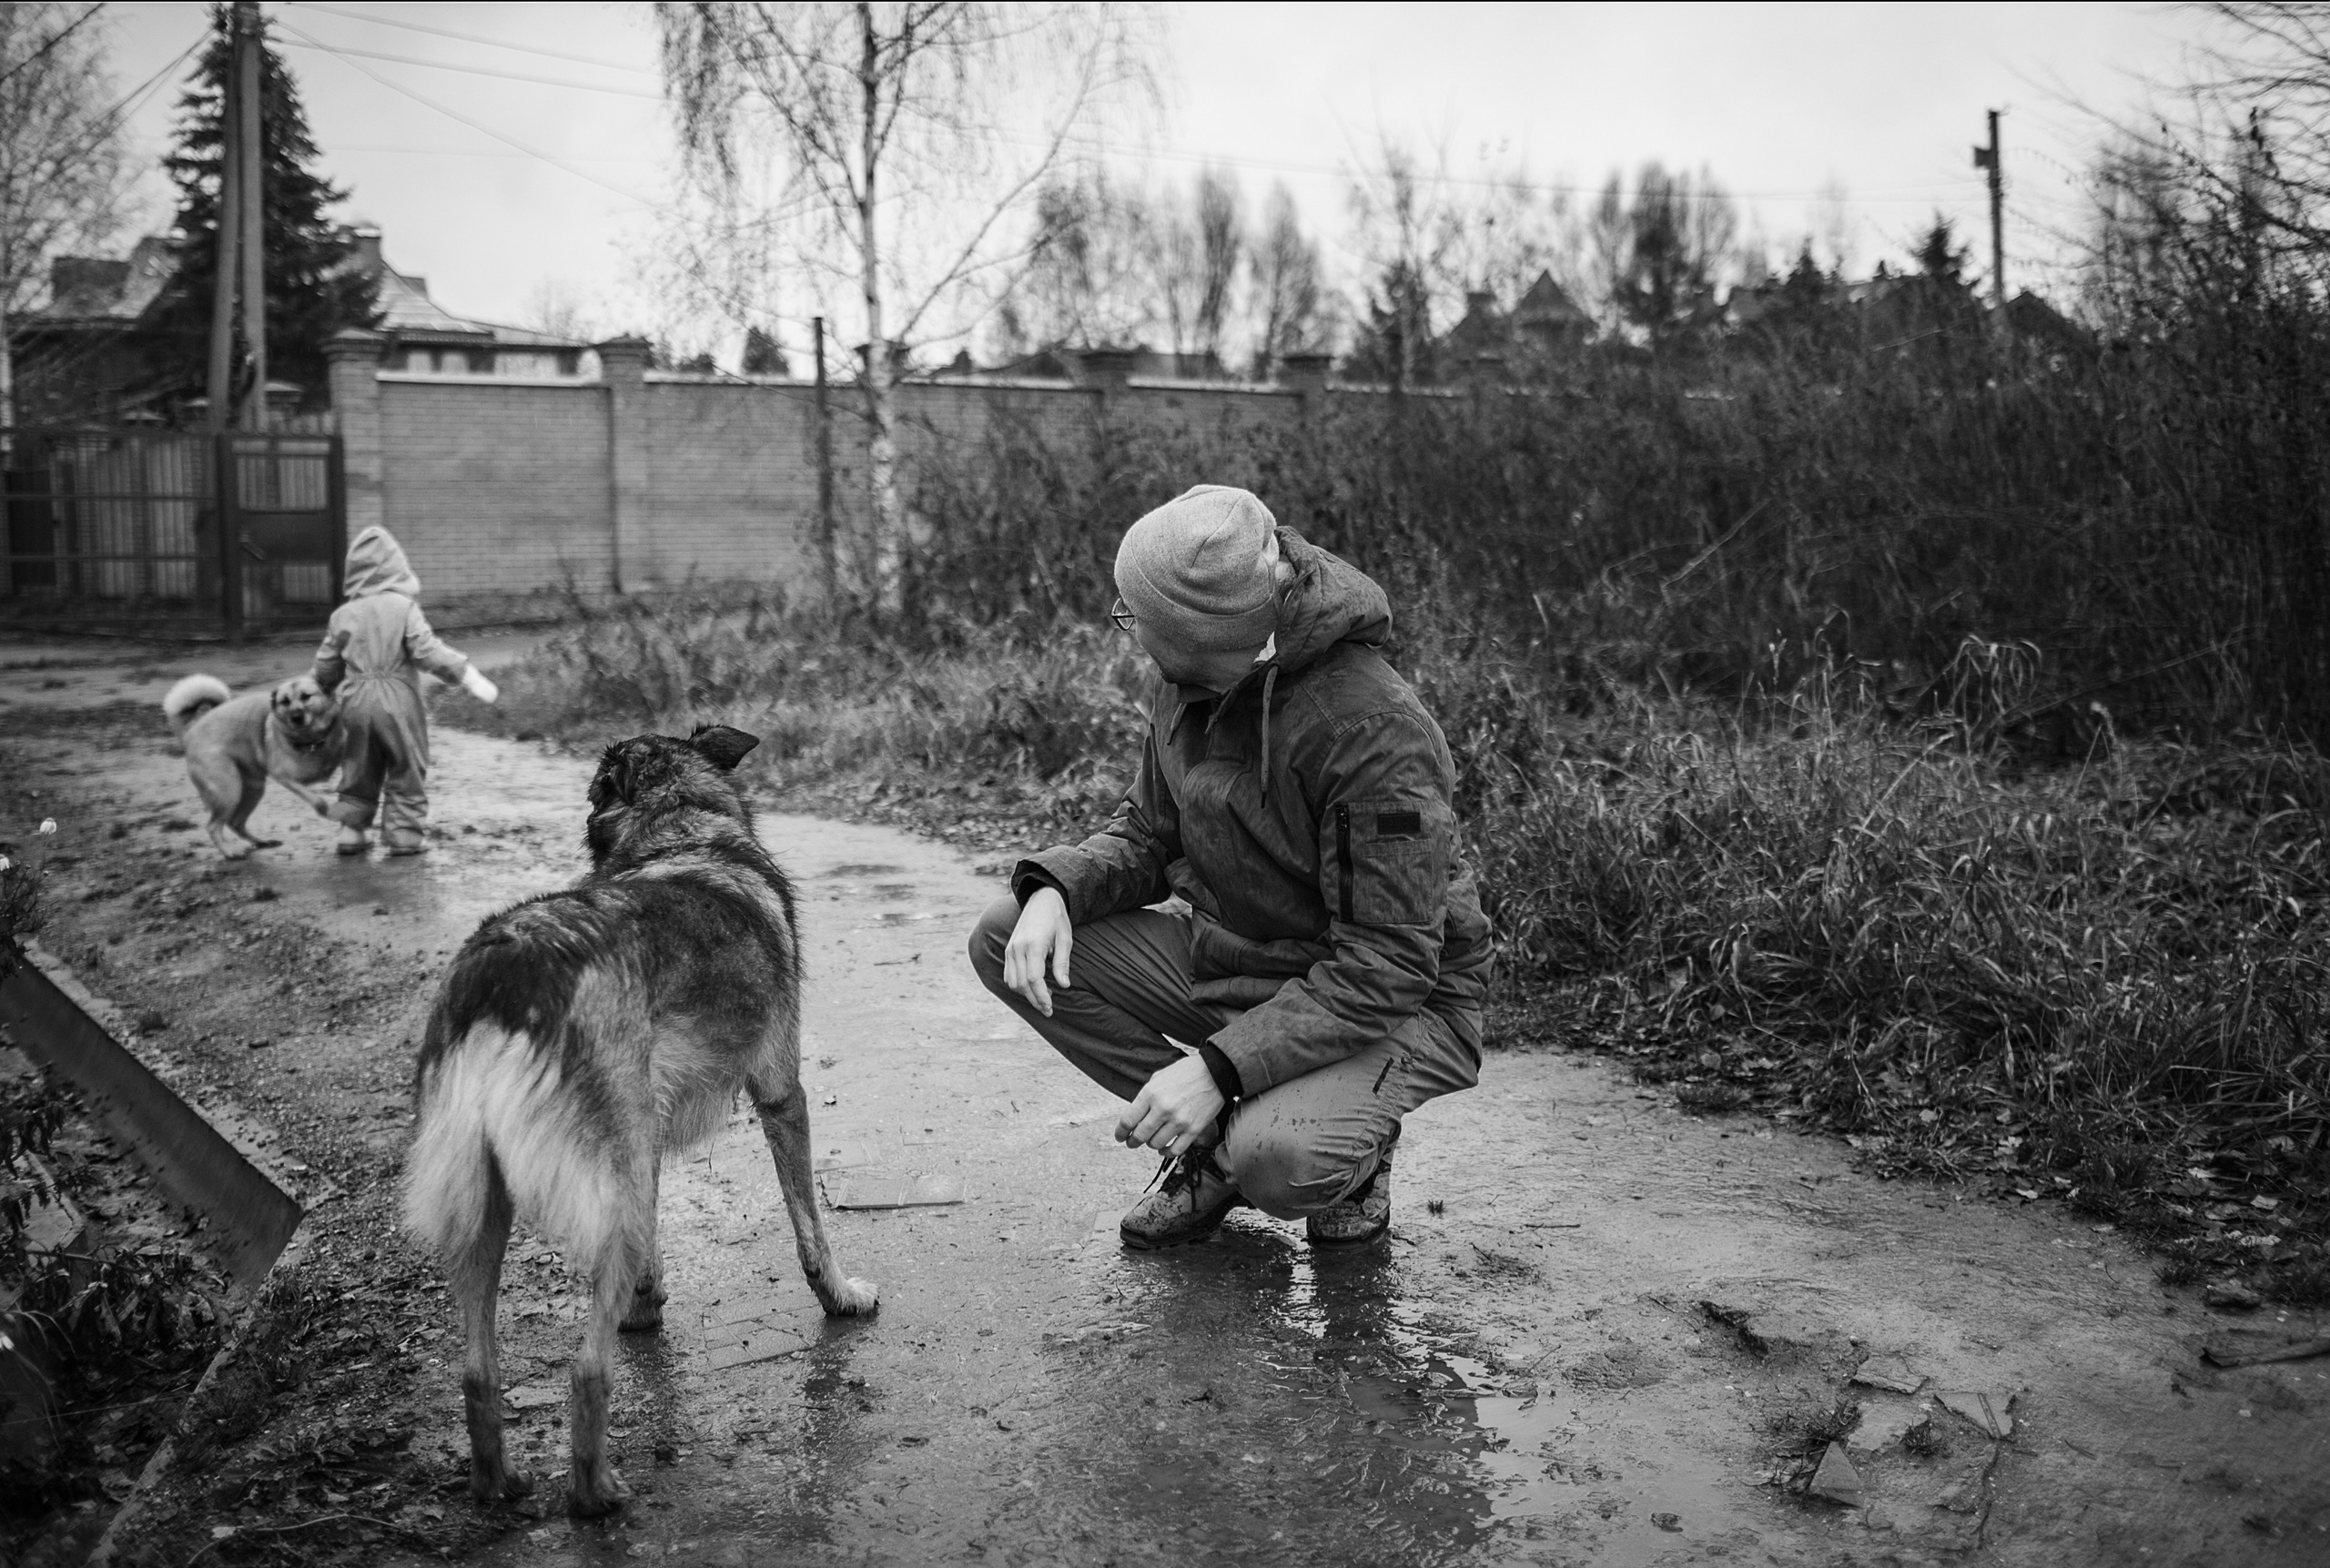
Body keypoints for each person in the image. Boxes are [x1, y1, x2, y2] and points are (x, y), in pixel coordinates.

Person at [967, 484, 1491, 1249]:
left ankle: (1350, 1160)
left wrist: (1217, 1069)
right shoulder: (1190, 679)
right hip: (1246, 958)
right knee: (1006, 932)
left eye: (1135, 620)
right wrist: (1056, 890)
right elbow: (1149, 829)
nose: (1130, 635)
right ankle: (1209, 1147)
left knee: (1276, 1159)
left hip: (1399, 1003)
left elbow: (1390, 964)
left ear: (1200, 634)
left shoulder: (1373, 730)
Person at [310, 525, 498, 855]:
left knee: (357, 764)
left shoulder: (343, 615)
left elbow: (326, 664)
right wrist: (465, 673)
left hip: (353, 699)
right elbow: (426, 651)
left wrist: (323, 688)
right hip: (397, 699)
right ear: (397, 567)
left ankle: (351, 830)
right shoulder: (402, 608)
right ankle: (404, 836)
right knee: (406, 764)